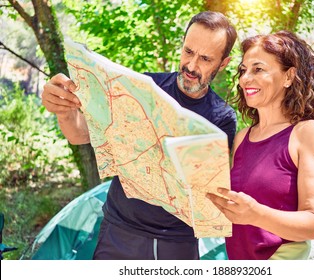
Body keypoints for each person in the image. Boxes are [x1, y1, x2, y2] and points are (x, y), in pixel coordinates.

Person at [41, 11, 238, 260]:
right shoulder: (142, 87)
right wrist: (63, 109)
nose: (191, 66)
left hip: (176, 241)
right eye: (188, 52)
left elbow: (206, 193)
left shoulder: (222, 117)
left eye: (205, 59)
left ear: (223, 63)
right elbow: (80, 135)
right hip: (118, 228)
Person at [206, 30, 314, 260]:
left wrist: (256, 214)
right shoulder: (242, 137)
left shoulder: (308, 133)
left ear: (289, 76)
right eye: (243, 70)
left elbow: (313, 223)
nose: (245, 78)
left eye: (258, 69)